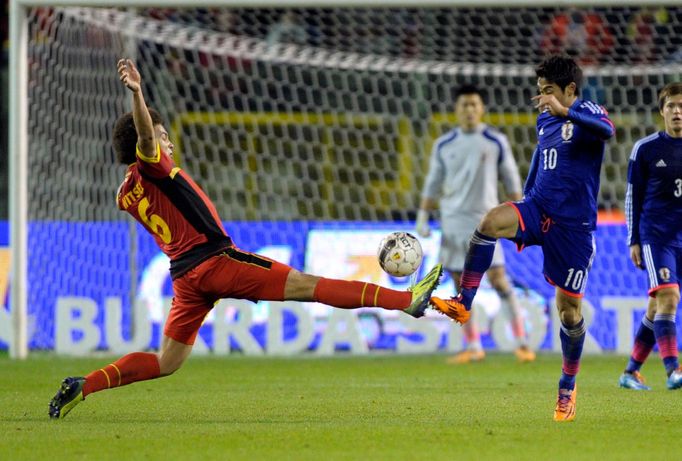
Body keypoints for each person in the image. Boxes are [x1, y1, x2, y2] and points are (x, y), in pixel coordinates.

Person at [48, 59, 444, 419]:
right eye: (164, 136)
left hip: (186, 278)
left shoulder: (126, 193)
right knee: (309, 286)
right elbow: (147, 143)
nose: (169, 144)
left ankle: (86, 384)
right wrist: (138, 94)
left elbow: (145, 158)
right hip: (217, 261)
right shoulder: (150, 166)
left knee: (167, 361)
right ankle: (405, 301)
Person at [430, 55, 615, 422]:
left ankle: (567, 386)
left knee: (569, 313)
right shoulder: (545, 118)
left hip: (573, 228)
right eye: (540, 91)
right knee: (490, 222)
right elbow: (540, 157)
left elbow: (607, 130)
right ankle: (463, 302)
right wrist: (527, 195)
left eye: (548, 91)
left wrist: (565, 110)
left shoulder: (587, 110)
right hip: (538, 208)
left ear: (570, 90)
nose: (542, 98)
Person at [416, 84, 535, 364]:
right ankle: (473, 347)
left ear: (481, 109)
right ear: (456, 110)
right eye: (464, 105)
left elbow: (512, 182)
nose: (469, 110)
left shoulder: (495, 142)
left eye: (474, 104)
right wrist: (422, 217)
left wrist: (520, 219)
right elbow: (432, 184)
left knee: (498, 280)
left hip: (485, 224)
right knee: (460, 287)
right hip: (453, 223)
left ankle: (522, 342)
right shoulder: (444, 144)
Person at [619, 82, 682, 391]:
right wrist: (633, 239)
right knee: (669, 297)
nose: (678, 112)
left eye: (681, 106)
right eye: (671, 106)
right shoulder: (645, 149)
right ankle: (673, 370)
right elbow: (633, 196)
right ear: (662, 111)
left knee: (656, 308)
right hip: (657, 237)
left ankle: (631, 372)